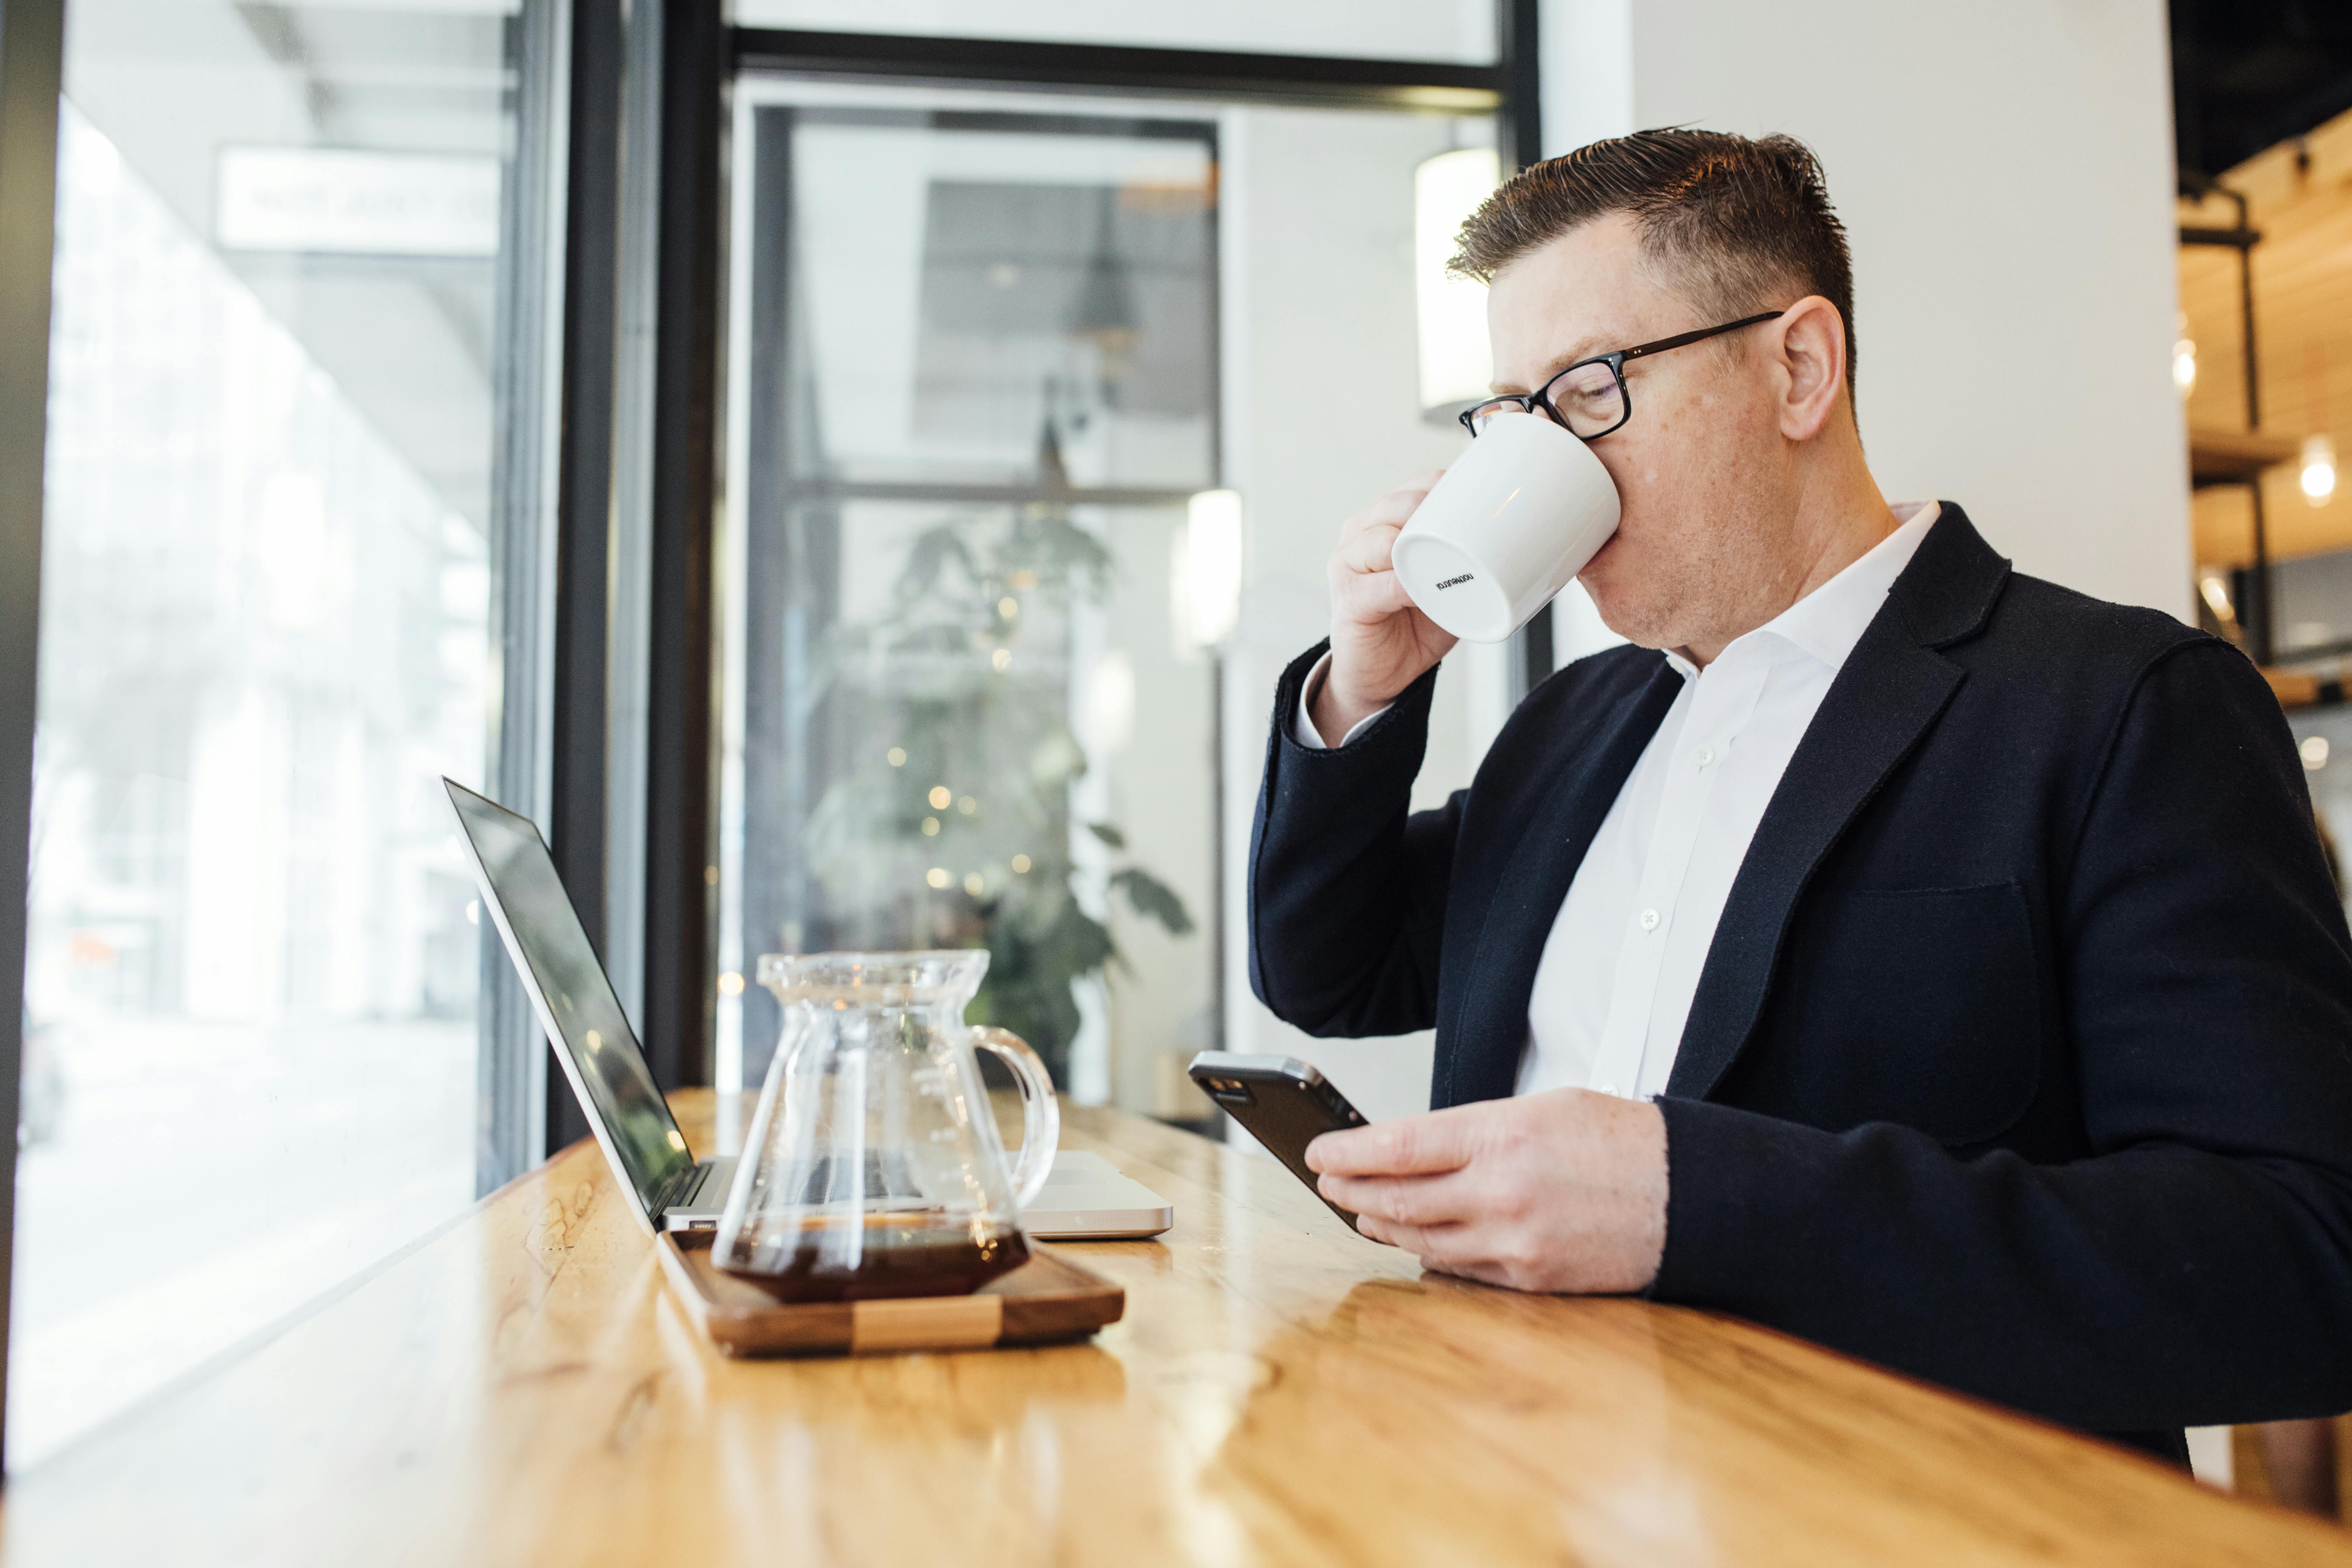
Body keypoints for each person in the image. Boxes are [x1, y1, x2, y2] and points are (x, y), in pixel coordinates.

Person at [1246, 128, 2352, 1467]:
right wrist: (1362, 696)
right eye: (1510, 416)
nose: (1548, 465)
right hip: (1513, 1486)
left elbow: (2299, 1257)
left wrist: (1690, 1197)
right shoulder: (1574, 730)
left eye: (1589, 391)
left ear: (1798, 367)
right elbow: (1334, 972)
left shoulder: (2119, 704)